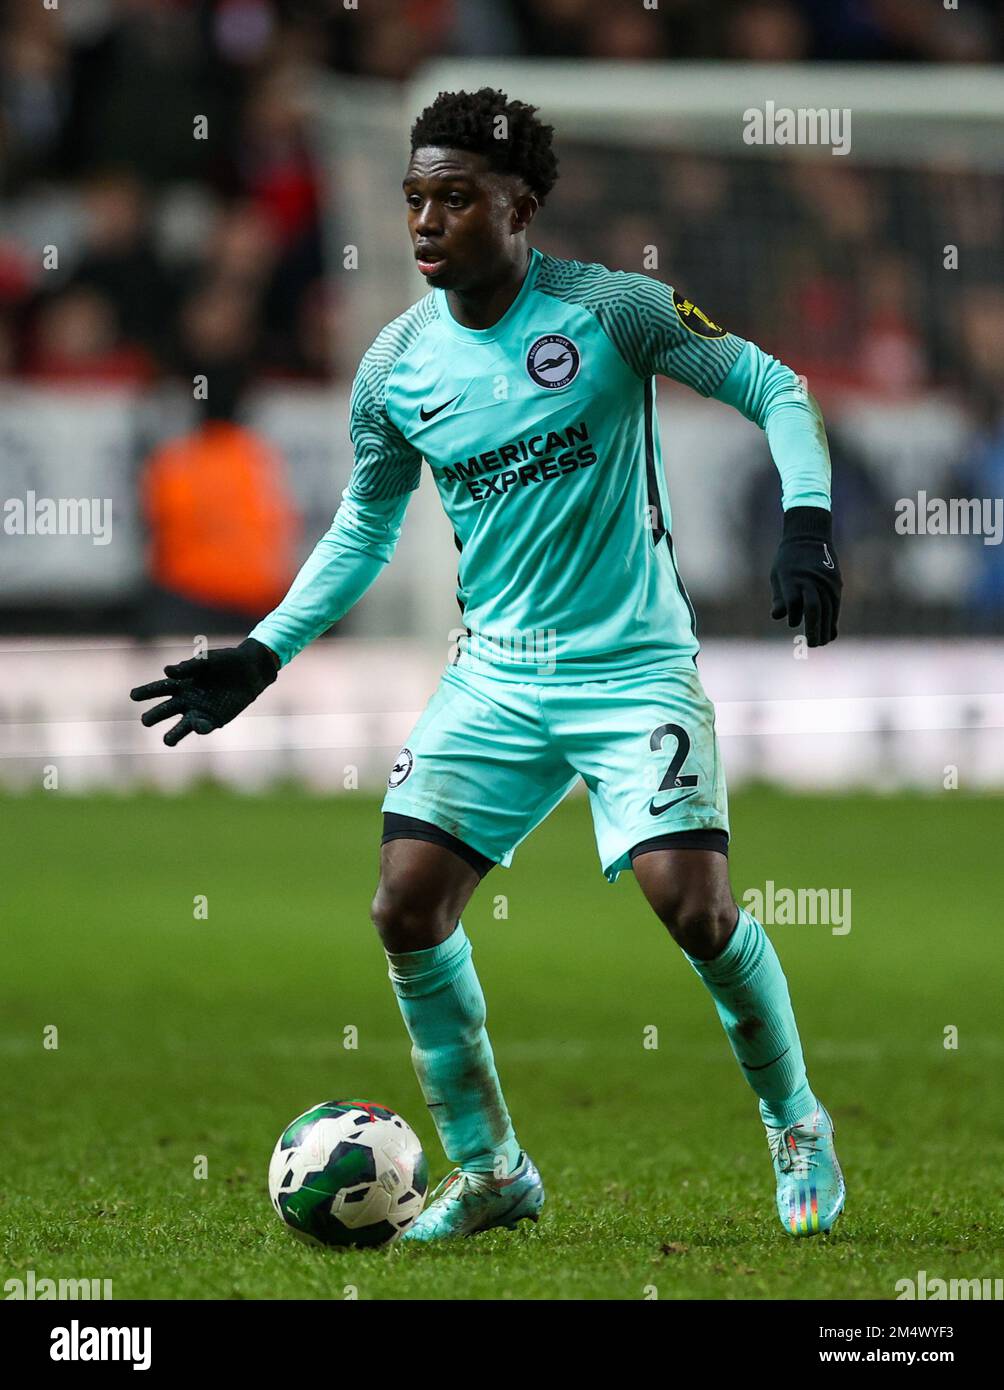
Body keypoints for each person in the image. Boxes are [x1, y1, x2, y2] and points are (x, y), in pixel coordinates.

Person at [131, 88, 844, 1243]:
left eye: (453, 198)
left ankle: (794, 1119)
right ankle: (493, 1168)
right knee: (405, 907)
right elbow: (363, 527)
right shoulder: (393, 367)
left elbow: (773, 387)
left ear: (518, 208)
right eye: (413, 197)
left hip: (631, 668)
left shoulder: (613, 310)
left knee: (693, 908)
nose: (423, 221)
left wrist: (805, 521)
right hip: (494, 675)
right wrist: (266, 651)